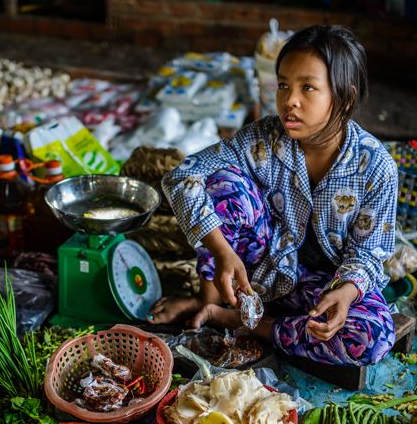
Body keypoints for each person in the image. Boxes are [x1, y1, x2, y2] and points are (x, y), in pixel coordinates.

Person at [150, 25, 398, 367]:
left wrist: (345, 292)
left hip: (321, 290)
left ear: (345, 98)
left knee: (371, 337)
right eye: (283, 85)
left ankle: (242, 323)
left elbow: (368, 255)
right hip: (261, 275)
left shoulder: (376, 167)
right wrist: (223, 252)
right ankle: (210, 301)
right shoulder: (263, 138)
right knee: (224, 185)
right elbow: (182, 176)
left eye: (308, 87)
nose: (289, 100)